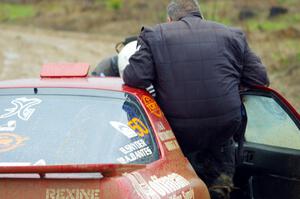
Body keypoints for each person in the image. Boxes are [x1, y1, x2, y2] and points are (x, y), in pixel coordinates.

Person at [122, 0, 269, 198]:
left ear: (170, 20)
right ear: (201, 16)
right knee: (219, 191)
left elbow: (134, 78)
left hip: (178, 136)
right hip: (222, 131)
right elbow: (260, 80)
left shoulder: (155, 35)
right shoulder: (233, 35)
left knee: (182, 192)